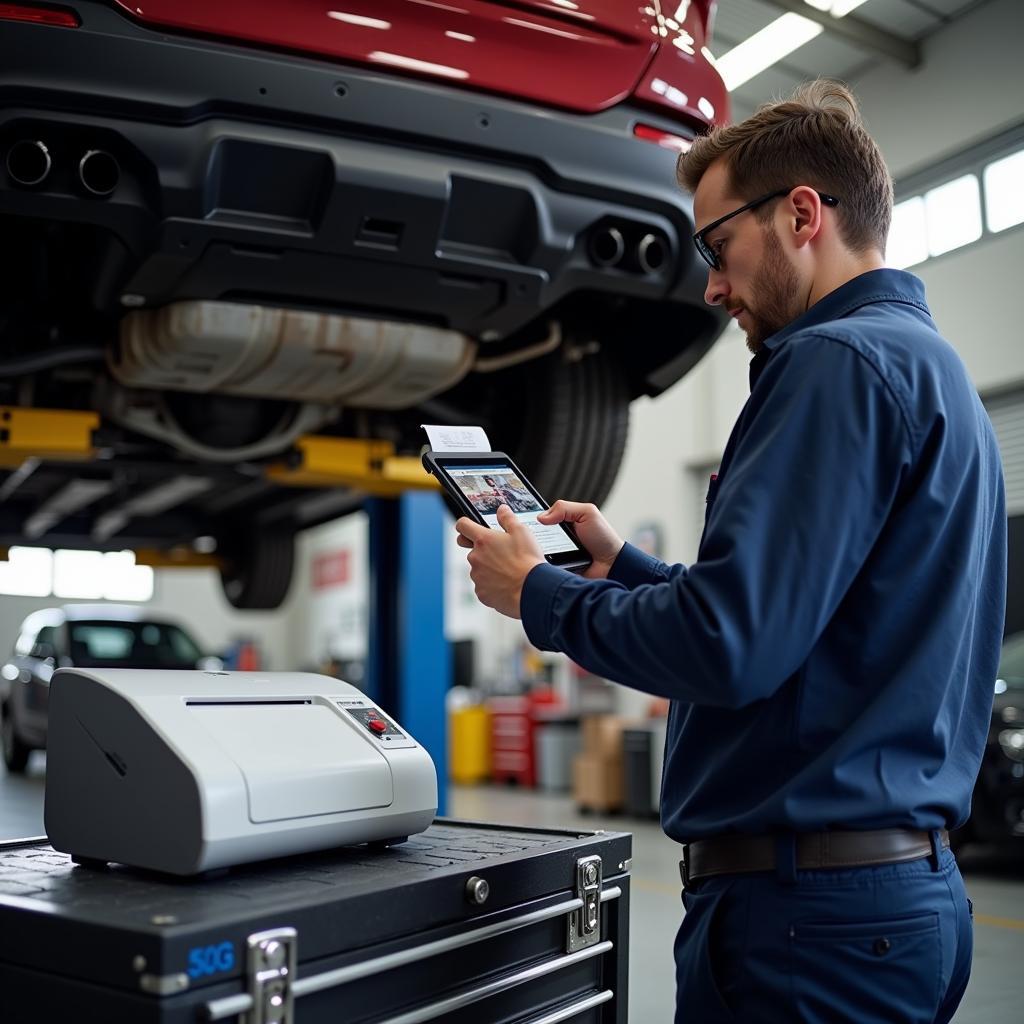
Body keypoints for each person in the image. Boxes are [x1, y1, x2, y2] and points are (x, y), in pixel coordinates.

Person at [454, 80, 1006, 1023]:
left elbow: (728, 645)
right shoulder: (929, 368)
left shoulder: (832, 363)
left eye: (718, 247)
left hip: (808, 925)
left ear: (801, 215)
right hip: (885, 904)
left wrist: (538, 597)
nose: (710, 286)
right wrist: (624, 567)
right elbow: (812, 632)